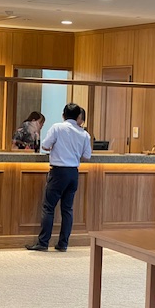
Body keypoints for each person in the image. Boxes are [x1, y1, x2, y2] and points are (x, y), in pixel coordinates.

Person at [26, 103, 91, 252]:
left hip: (58, 172)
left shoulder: (57, 128)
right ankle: (63, 244)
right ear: (78, 116)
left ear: (63, 115)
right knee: (67, 209)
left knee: (49, 208)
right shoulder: (84, 134)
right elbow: (87, 156)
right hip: (73, 173)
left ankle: (43, 243)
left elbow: (45, 146)